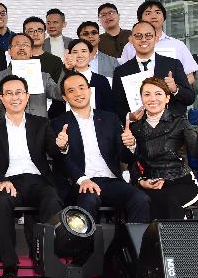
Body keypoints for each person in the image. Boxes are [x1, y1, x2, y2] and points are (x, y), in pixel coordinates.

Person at [0, 75, 63, 278]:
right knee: (0, 202)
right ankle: (10, 266)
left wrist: (61, 146)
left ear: (27, 96)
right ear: (1, 98)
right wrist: (1, 180)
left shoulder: (41, 123)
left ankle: (49, 264)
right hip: (8, 181)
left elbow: (54, 152)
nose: (14, 97)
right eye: (9, 93)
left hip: (37, 180)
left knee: (52, 199)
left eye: (19, 92)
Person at [52, 72, 149, 223]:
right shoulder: (57, 123)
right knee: (89, 198)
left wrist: (130, 145)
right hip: (78, 183)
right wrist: (82, 178)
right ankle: (85, 239)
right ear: (64, 97)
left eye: (81, 88)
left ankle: (130, 239)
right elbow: (60, 160)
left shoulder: (110, 119)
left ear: (89, 90)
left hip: (110, 181)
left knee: (140, 198)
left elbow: (125, 158)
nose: (78, 93)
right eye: (71, 91)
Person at [122, 78, 198, 219]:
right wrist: (140, 180)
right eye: (147, 94)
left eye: (158, 94)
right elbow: (131, 162)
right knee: (138, 200)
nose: (153, 99)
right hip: (150, 183)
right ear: (141, 98)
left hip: (180, 181)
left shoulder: (180, 122)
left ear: (167, 98)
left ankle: (173, 232)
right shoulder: (135, 128)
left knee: (165, 199)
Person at [112, 21, 194, 122]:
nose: (143, 39)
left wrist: (175, 89)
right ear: (131, 40)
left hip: (172, 127)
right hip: (137, 128)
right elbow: (116, 105)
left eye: (148, 35)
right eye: (138, 36)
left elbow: (190, 98)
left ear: (156, 38)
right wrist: (129, 116)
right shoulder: (121, 71)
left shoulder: (173, 64)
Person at [0, 33, 62, 122]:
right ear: (9, 51)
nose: (21, 48)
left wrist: (66, 69)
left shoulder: (44, 76)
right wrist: (3, 95)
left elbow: (60, 94)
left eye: (26, 45)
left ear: (31, 52)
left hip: (39, 127)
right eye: (17, 45)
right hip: (8, 128)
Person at [120, 0, 198, 84]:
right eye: (148, 13)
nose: (153, 16)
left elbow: (190, 76)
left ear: (164, 17)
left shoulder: (177, 45)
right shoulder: (130, 46)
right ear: (140, 19)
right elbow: (123, 75)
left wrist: (174, 88)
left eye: (157, 12)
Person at [63, 38, 115, 114]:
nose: (80, 55)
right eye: (75, 52)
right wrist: (66, 69)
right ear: (69, 55)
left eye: (84, 51)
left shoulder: (101, 80)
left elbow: (109, 109)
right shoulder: (64, 78)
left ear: (90, 55)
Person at [24, 16, 64, 83]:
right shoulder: (18, 59)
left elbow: (59, 87)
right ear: (24, 35)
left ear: (45, 35)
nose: (36, 34)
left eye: (40, 31)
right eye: (31, 31)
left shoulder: (56, 61)